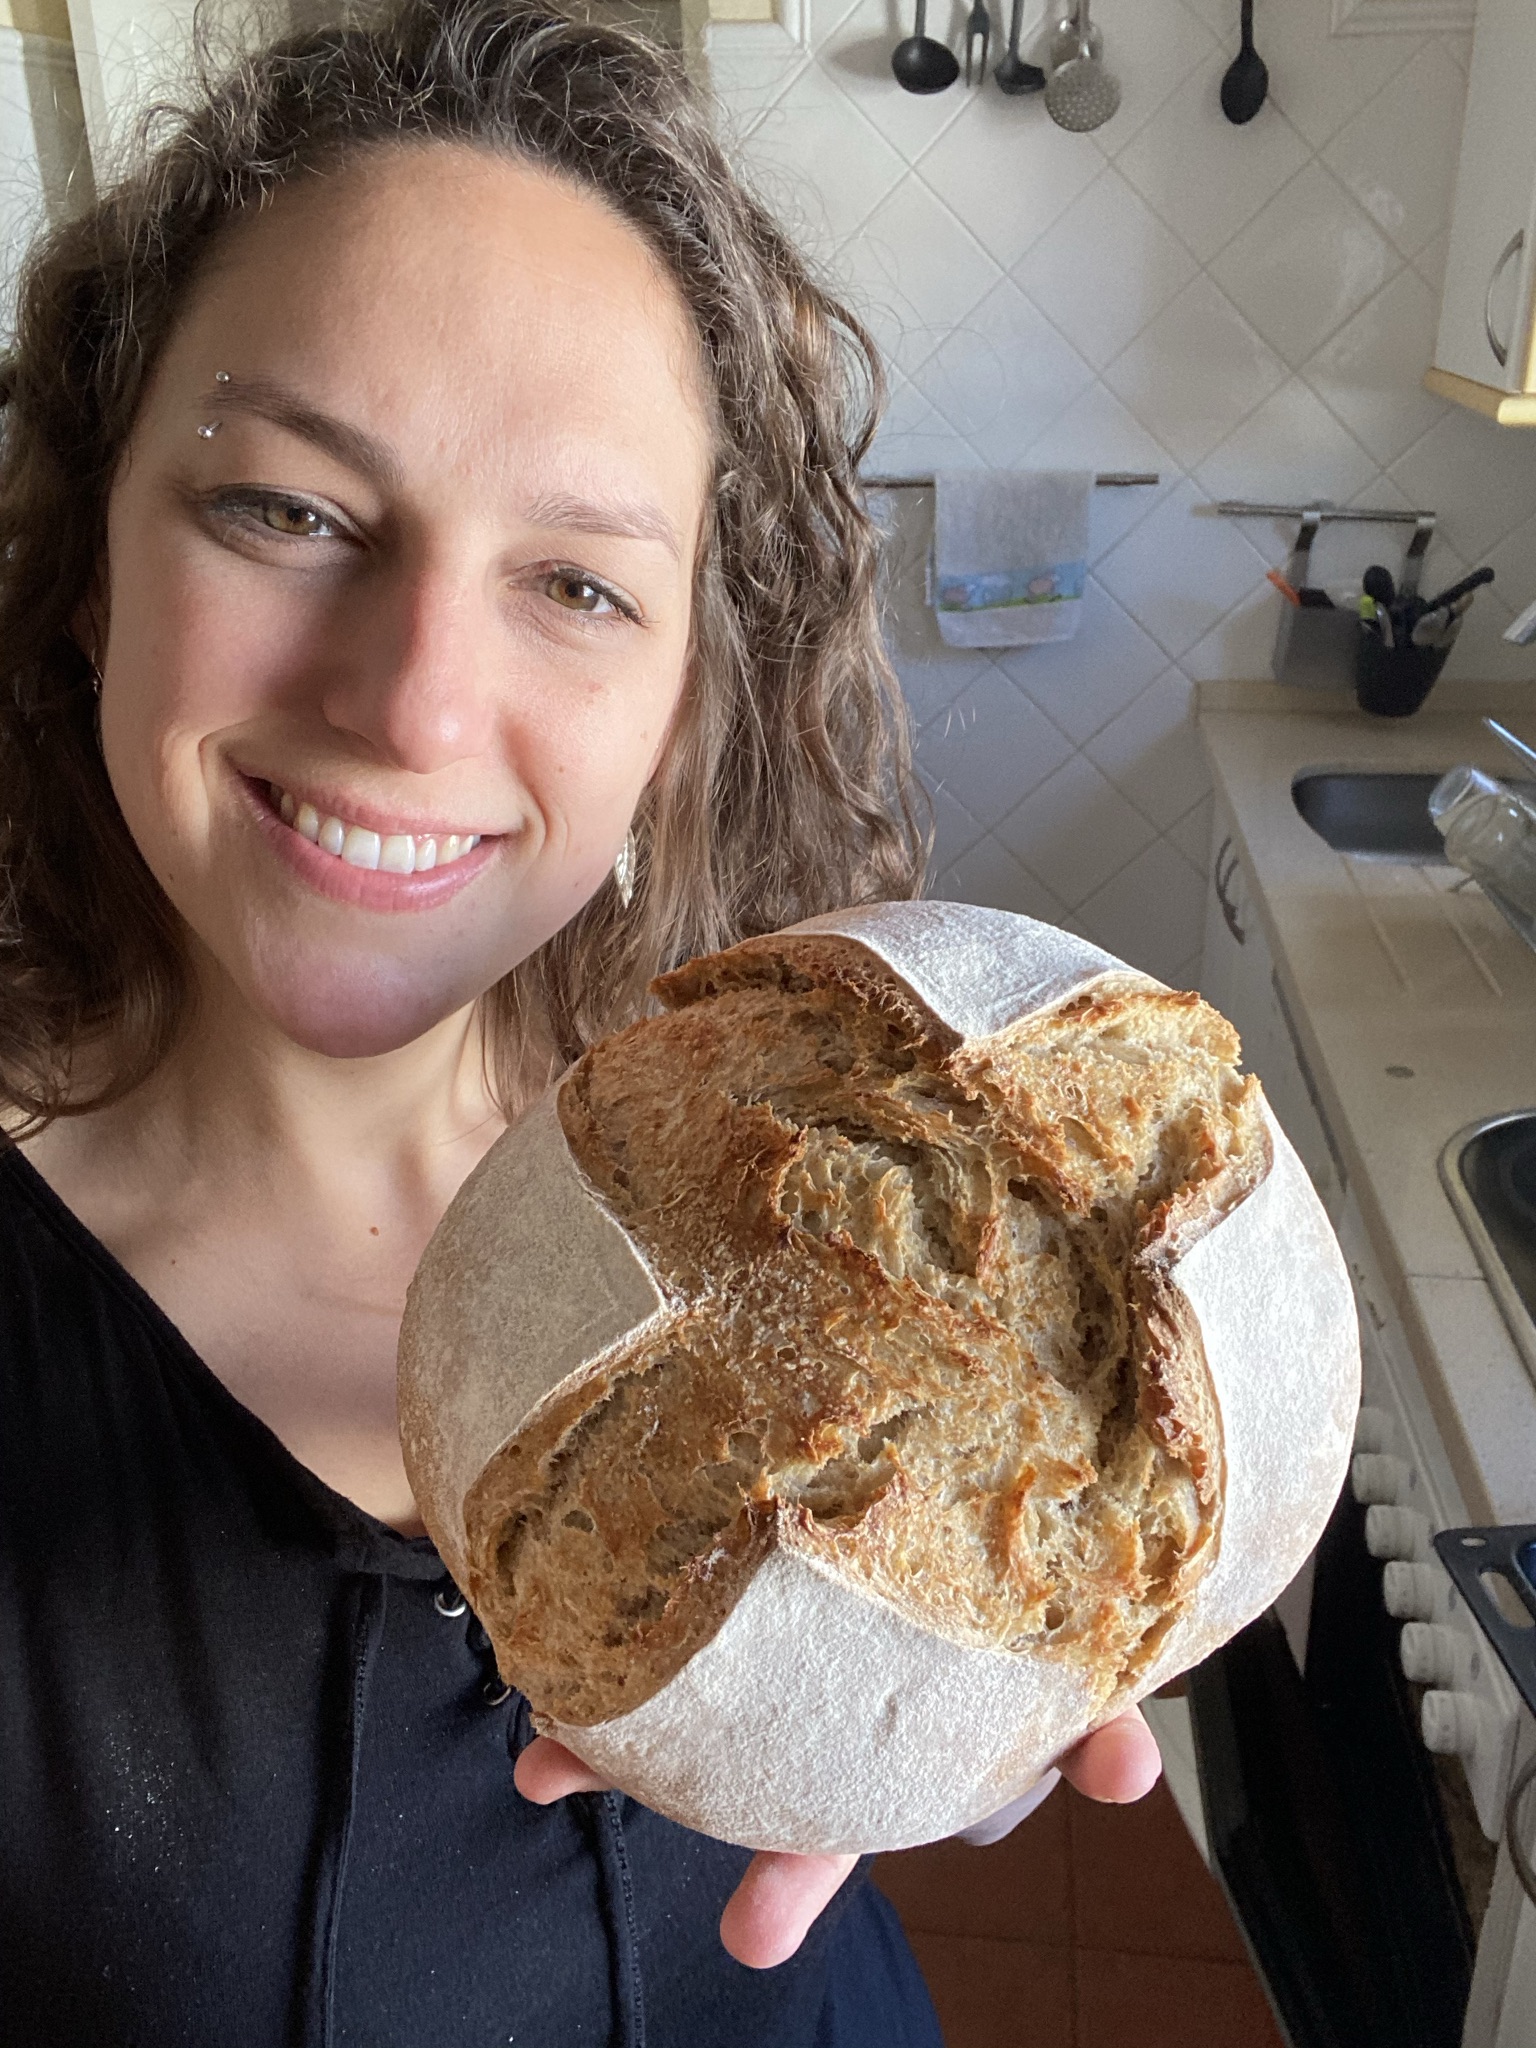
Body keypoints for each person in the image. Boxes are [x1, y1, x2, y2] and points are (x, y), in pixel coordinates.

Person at [0, 2, 1161, 2041]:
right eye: (287, 508)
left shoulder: (824, 1205)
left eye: (579, 584)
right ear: (90, 553)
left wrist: (954, 1705)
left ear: (689, 704)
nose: (416, 702)